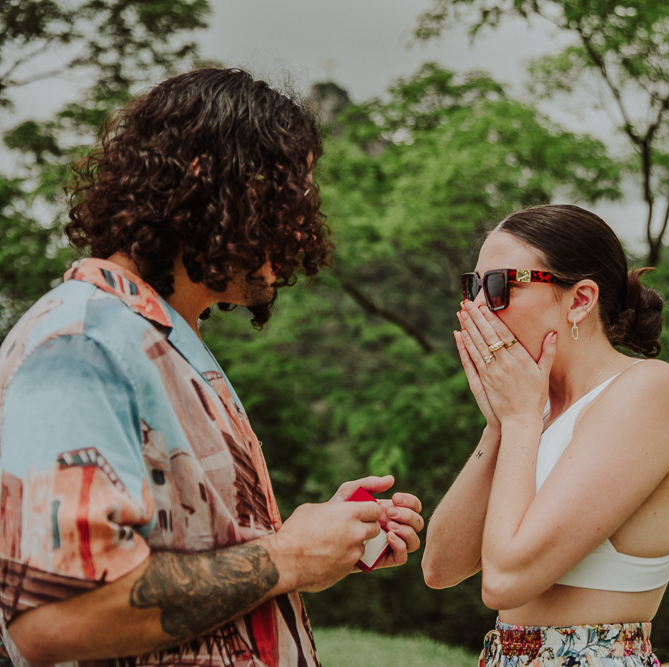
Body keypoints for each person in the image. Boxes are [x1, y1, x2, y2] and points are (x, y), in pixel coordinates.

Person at [0, 68, 424, 667]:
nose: (301, 225)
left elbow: (198, 560)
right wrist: (291, 557)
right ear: (205, 176)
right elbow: (54, 618)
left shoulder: (163, 341)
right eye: (287, 197)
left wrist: (312, 545)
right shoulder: (83, 344)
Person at [421, 205, 669, 666]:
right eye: (472, 287)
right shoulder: (533, 411)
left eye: (499, 286)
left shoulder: (649, 391)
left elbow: (505, 581)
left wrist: (519, 422)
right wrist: (499, 426)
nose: (477, 308)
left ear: (580, 300)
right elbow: (440, 567)